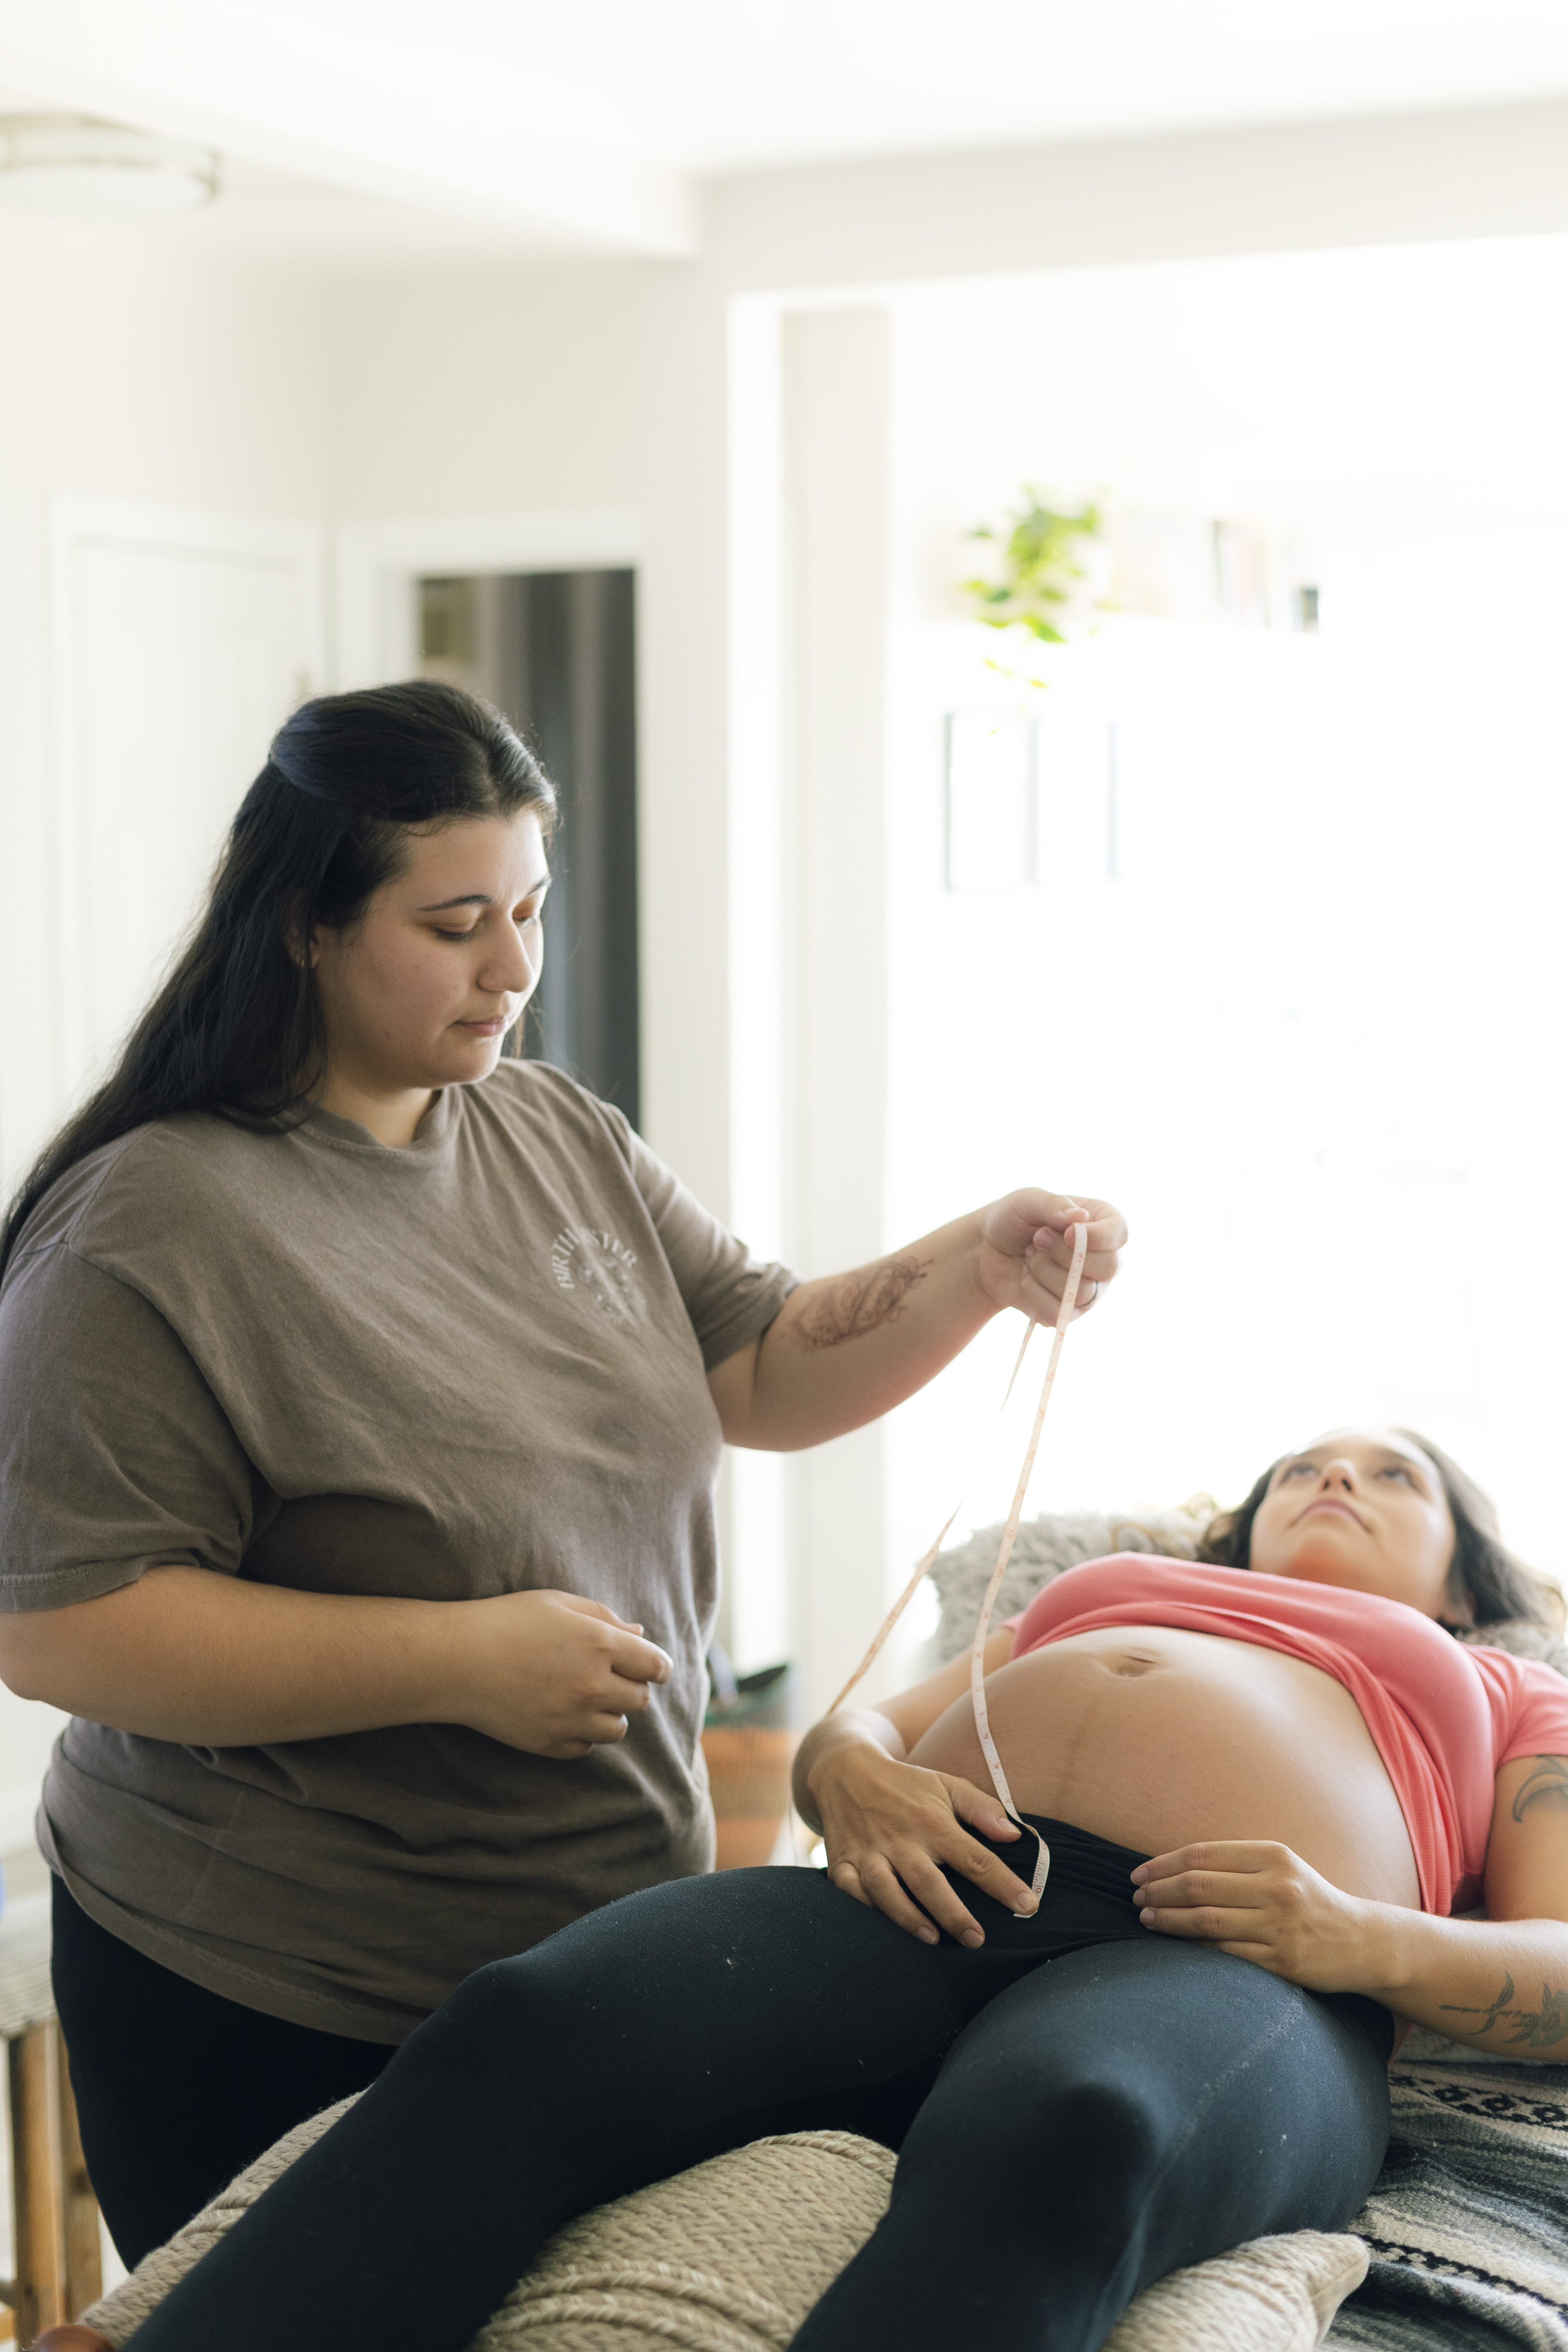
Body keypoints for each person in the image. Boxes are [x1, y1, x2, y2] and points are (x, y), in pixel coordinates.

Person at [0, 680, 1125, 2266]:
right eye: (455, 923)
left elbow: (762, 1363)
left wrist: (973, 1269)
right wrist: (457, 1662)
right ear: (305, 925)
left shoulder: (549, 1130)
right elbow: (64, 1626)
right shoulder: (149, 1227)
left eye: (529, 909)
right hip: (277, 1992)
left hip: (593, 1965)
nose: (515, 968)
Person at [58, 1425, 1568, 2352]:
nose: (1335, 1477)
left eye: (1393, 1474)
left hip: (1230, 1958)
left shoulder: (1507, 1686)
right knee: (528, 2023)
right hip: (930, 1884)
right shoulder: (1110, 1589)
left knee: (1072, 2126)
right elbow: (866, 1731)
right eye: (1303, 1465)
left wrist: (1360, 1939)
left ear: (1462, 1577)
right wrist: (846, 1778)